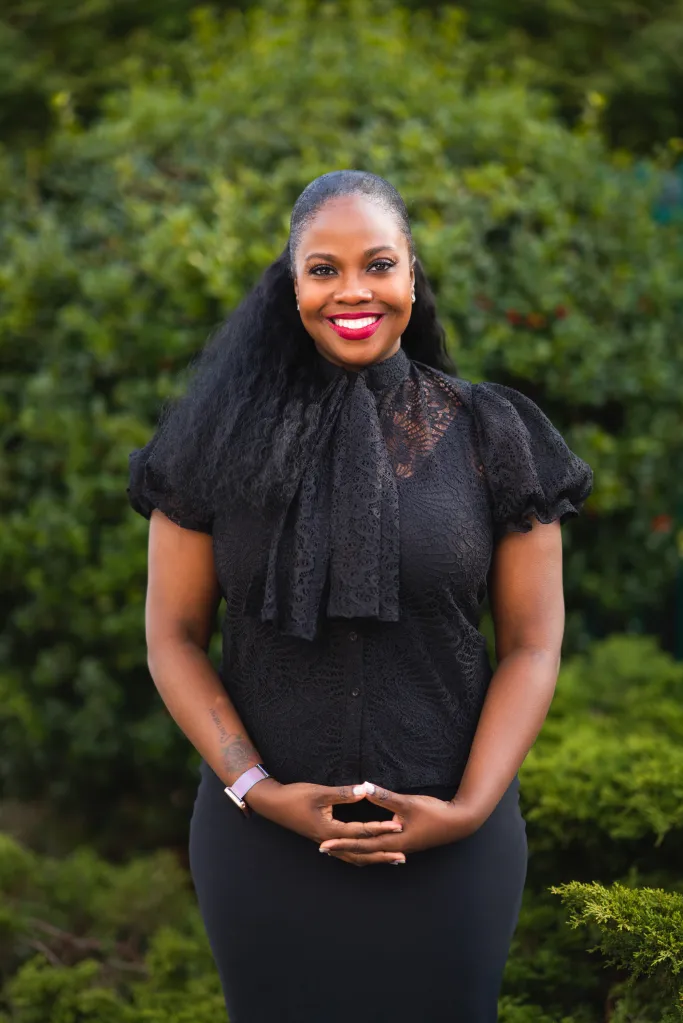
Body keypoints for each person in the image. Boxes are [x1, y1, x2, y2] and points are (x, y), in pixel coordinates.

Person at [127, 169, 593, 1022]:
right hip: (261, 844)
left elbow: (532, 642)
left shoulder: (495, 436)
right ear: (291, 282)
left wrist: (465, 811)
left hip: (453, 844)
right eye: (323, 268)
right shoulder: (210, 442)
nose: (352, 291)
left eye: (377, 264)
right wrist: (260, 791)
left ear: (411, 274)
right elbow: (172, 636)